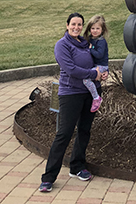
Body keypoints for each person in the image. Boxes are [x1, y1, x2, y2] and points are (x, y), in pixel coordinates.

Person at [39, 12, 108, 193]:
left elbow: (97, 61)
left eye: (79, 25)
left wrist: (102, 72)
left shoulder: (86, 44)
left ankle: (77, 166)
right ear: (67, 25)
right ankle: (48, 177)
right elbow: (70, 69)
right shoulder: (62, 45)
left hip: (91, 93)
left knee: (84, 130)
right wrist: (94, 74)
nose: (76, 27)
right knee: (64, 134)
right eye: (73, 24)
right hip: (71, 94)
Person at [82, 14, 109, 113]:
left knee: (86, 80)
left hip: (101, 66)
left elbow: (99, 55)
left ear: (102, 30)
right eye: (92, 28)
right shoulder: (90, 39)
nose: (95, 30)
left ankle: (96, 98)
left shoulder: (101, 41)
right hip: (95, 66)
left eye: (98, 28)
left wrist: (90, 49)